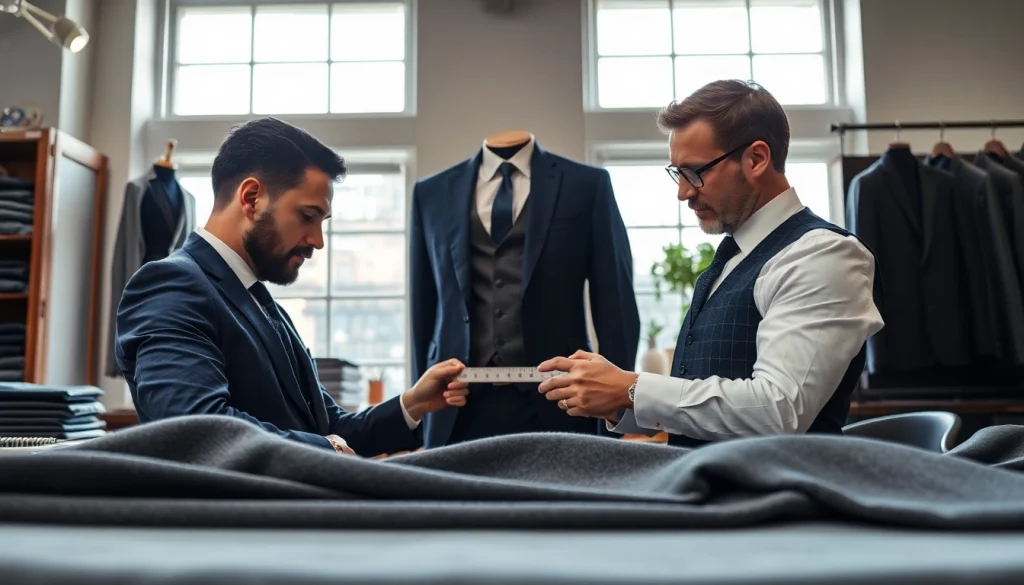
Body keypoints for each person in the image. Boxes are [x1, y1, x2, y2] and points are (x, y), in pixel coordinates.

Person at [536, 80, 884, 448]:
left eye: (695, 172)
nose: (683, 192)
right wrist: (617, 399)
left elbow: (778, 410)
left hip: (772, 500)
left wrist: (633, 388)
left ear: (756, 159)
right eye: (677, 173)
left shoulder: (823, 255)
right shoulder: (734, 257)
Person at [114, 117, 470, 456]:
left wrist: (414, 403)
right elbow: (196, 430)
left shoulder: (263, 303)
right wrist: (326, 448)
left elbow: (328, 426)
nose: (317, 241)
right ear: (251, 198)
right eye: (307, 216)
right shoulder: (170, 285)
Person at [408, 131, 639, 448]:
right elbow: (422, 306)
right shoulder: (430, 192)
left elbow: (616, 304)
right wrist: (419, 403)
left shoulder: (587, 184)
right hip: (456, 404)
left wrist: (617, 403)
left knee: (564, 498)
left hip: (562, 400)